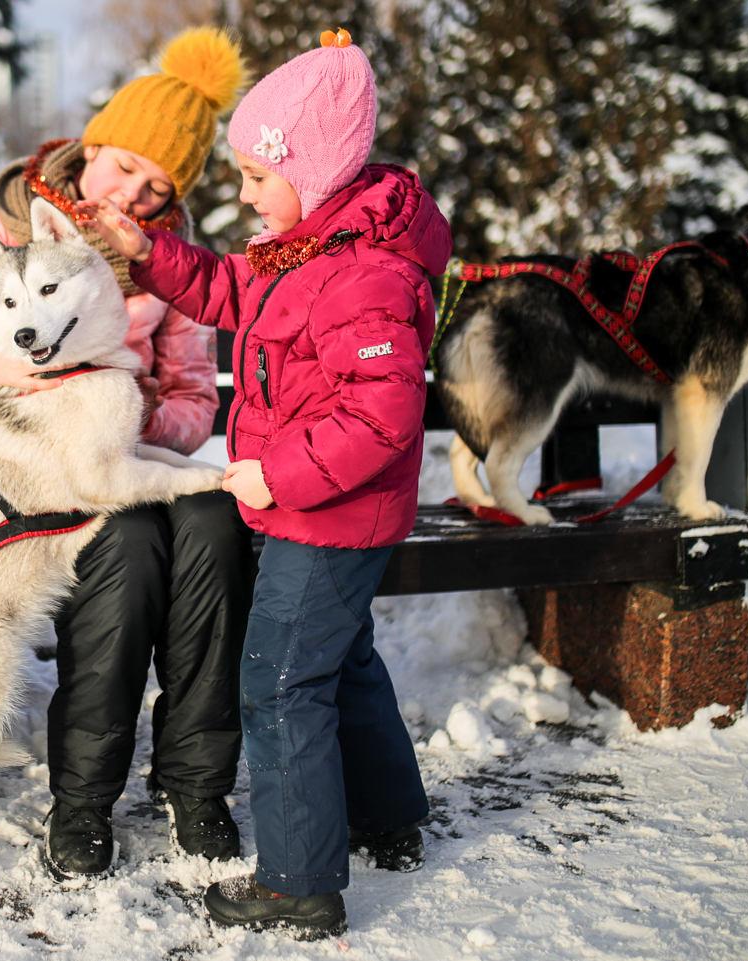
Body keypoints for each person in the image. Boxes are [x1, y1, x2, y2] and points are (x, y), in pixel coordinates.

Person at [77, 29, 451, 938]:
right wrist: (148, 248)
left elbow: (381, 418)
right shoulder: (308, 245)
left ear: (313, 170)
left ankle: (298, 882)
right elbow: (231, 291)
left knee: (281, 683)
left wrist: (272, 476)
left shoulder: (362, 274)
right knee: (343, 660)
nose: (241, 194)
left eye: (255, 173)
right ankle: (392, 818)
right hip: (319, 509)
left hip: (327, 514)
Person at [0, 27, 256, 881]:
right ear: (95, 143)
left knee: (218, 529)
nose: (138, 194)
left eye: (159, 186)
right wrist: (5, 366)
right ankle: (84, 795)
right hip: (47, 470)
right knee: (126, 548)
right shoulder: (0, 232)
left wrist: (136, 427)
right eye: (127, 168)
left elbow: (195, 393)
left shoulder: (172, 264)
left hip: (133, 448)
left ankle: (196, 784)